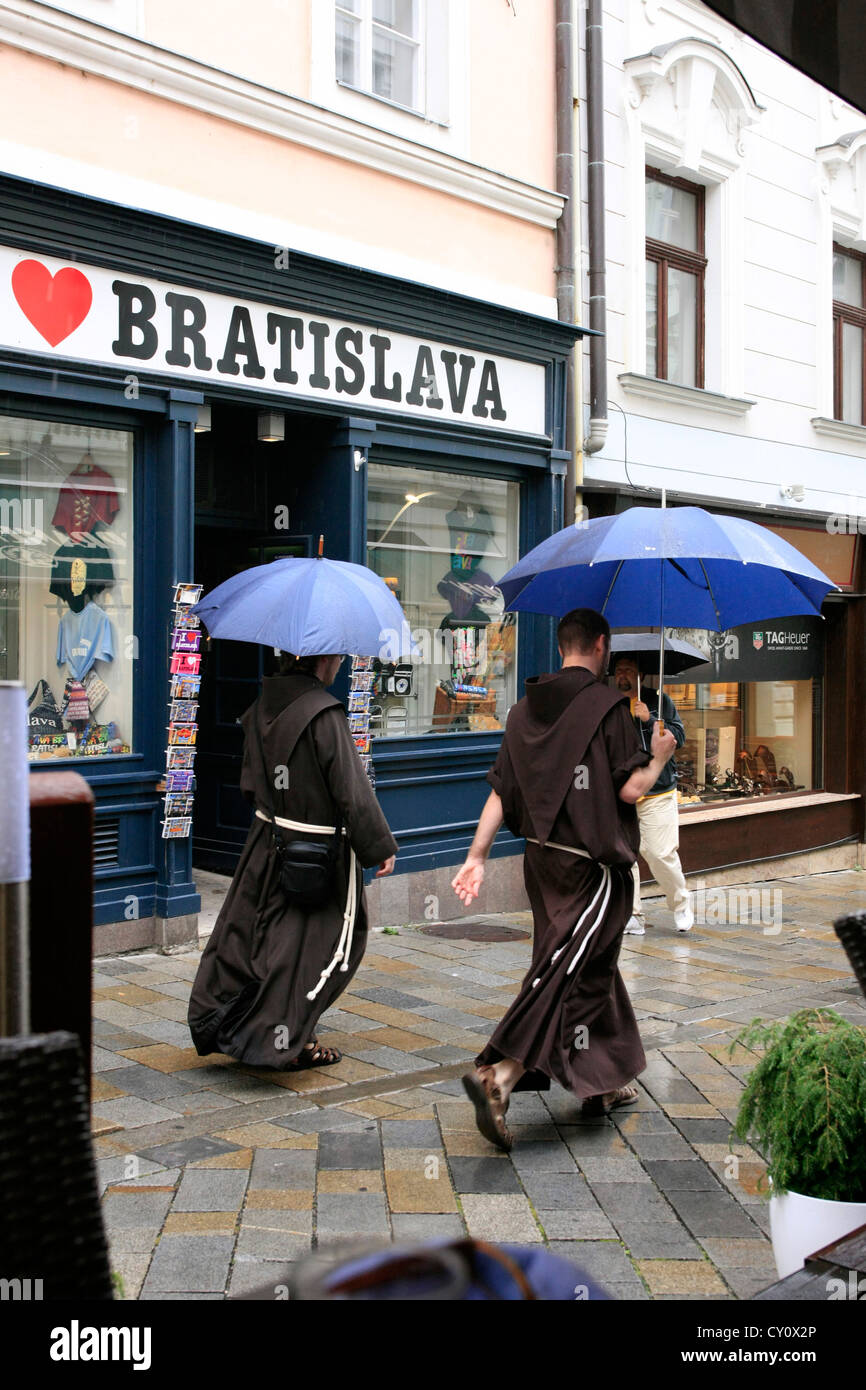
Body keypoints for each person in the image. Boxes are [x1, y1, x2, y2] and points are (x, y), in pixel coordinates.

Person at [451, 608, 678, 1150]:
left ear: (561, 647)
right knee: (569, 974)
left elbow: (501, 792)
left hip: (541, 863)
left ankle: (601, 1080)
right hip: (592, 870)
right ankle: (498, 1078)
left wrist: (476, 855)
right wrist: (659, 755)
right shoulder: (609, 708)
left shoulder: (523, 709)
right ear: (600, 645)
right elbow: (630, 791)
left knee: (580, 963)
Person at [188, 651, 397, 1070]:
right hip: (317, 853)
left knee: (256, 938)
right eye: (338, 657)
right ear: (324, 660)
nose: (341, 664)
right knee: (323, 948)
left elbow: (249, 782)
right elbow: (351, 790)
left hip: (266, 843)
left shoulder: (262, 704)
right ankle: (287, 1038)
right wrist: (379, 846)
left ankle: (235, 1023)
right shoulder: (324, 713)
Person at [611, 655, 693, 935]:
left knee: (659, 854)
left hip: (658, 789)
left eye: (629, 670)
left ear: (640, 675)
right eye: (619, 670)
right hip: (623, 790)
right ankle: (632, 914)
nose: (623, 675)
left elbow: (678, 738)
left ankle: (680, 903)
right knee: (626, 856)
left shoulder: (660, 701)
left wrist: (650, 719)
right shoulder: (609, 704)